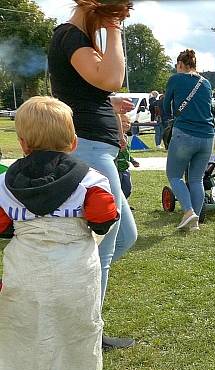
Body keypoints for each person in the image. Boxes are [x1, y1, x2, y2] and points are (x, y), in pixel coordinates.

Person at [0, 96, 119, 370]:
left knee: (27, 345)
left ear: (23, 142)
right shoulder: (91, 181)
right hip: (75, 278)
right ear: (72, 140)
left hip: (26, 278)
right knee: (76, 342)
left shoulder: (6, 183)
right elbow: (103, 220)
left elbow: (2, 225)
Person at [47, 0, 137, 350]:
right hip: (88, 150)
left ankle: (74, 317)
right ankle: (85, 334)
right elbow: (111, 76)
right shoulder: (70, 36)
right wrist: (115, 28)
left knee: (124, 236)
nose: (121, 19)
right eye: (118, 12)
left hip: (96, 148)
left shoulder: (75, 38)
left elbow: (82, 88)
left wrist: (106, 104)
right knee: (103, 245)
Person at [162, 49, 215, 231]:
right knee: (196, 180)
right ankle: (195, 223)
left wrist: (165, 128)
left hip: (184, 133)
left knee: (175, 175)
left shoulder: (175, 79)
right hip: (207, 136)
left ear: (181, 65)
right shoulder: (206, 83)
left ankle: (188, 211)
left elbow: (165, 105)